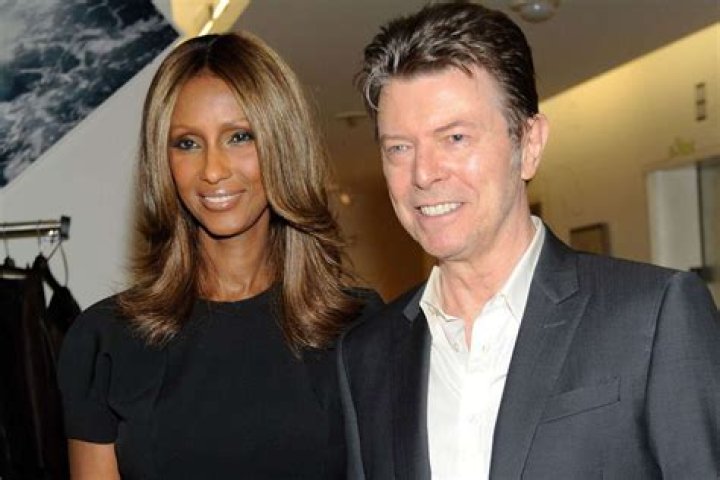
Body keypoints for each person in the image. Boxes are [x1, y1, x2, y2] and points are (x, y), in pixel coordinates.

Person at [337, 3, 720, 479]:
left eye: (455, 138)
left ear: (530, 143)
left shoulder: (653, 316)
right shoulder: (366, 357)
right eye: (399, 147)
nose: (423, 173)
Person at [57, 32, 381, 479]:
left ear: (282, 145)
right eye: (188, 143)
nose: (212, 170)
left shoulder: (360, 330)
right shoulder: (105, 342)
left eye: (239, 137)